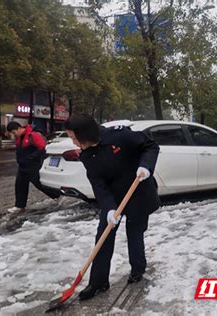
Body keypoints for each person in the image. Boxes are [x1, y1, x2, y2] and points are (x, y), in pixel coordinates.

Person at [64, 113, 160, 300]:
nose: (73, 142)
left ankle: (137, 269)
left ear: (85, 133)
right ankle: (98, 282)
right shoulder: (86, 155)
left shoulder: (119, 136)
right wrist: (108, 208)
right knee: (104, 235)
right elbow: (98, 184)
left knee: (134, 232)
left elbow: (150, 145)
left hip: (137, 191)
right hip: (114, 200)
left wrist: (146, 166)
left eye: (74, 138)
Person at [6, 121, 61, 213]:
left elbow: (42, 148)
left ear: (19, 129)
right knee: (20, 186)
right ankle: (19, 206)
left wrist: (30, 158)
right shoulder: (18, 138)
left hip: (33, 166)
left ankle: (58, 196)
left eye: (14, 132)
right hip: (22, 166)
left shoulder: (33, 135)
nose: (13, 135)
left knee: (40, 184)